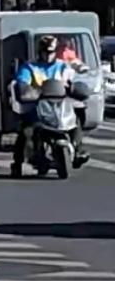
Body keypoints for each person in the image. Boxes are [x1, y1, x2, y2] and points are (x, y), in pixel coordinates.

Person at [11, 33, 88, 176]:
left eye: (51, 52)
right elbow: (22, 82)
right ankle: (17, 161)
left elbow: (71, 81)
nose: (48, 55)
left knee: (76, 119)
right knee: (25, 128)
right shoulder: (30, 67)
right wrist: (25, 90)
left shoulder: (62, 67)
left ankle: (78, 149)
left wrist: (75, 89)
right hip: (36, 103)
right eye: (45, 52)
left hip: (60, 103)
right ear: (40, 51)